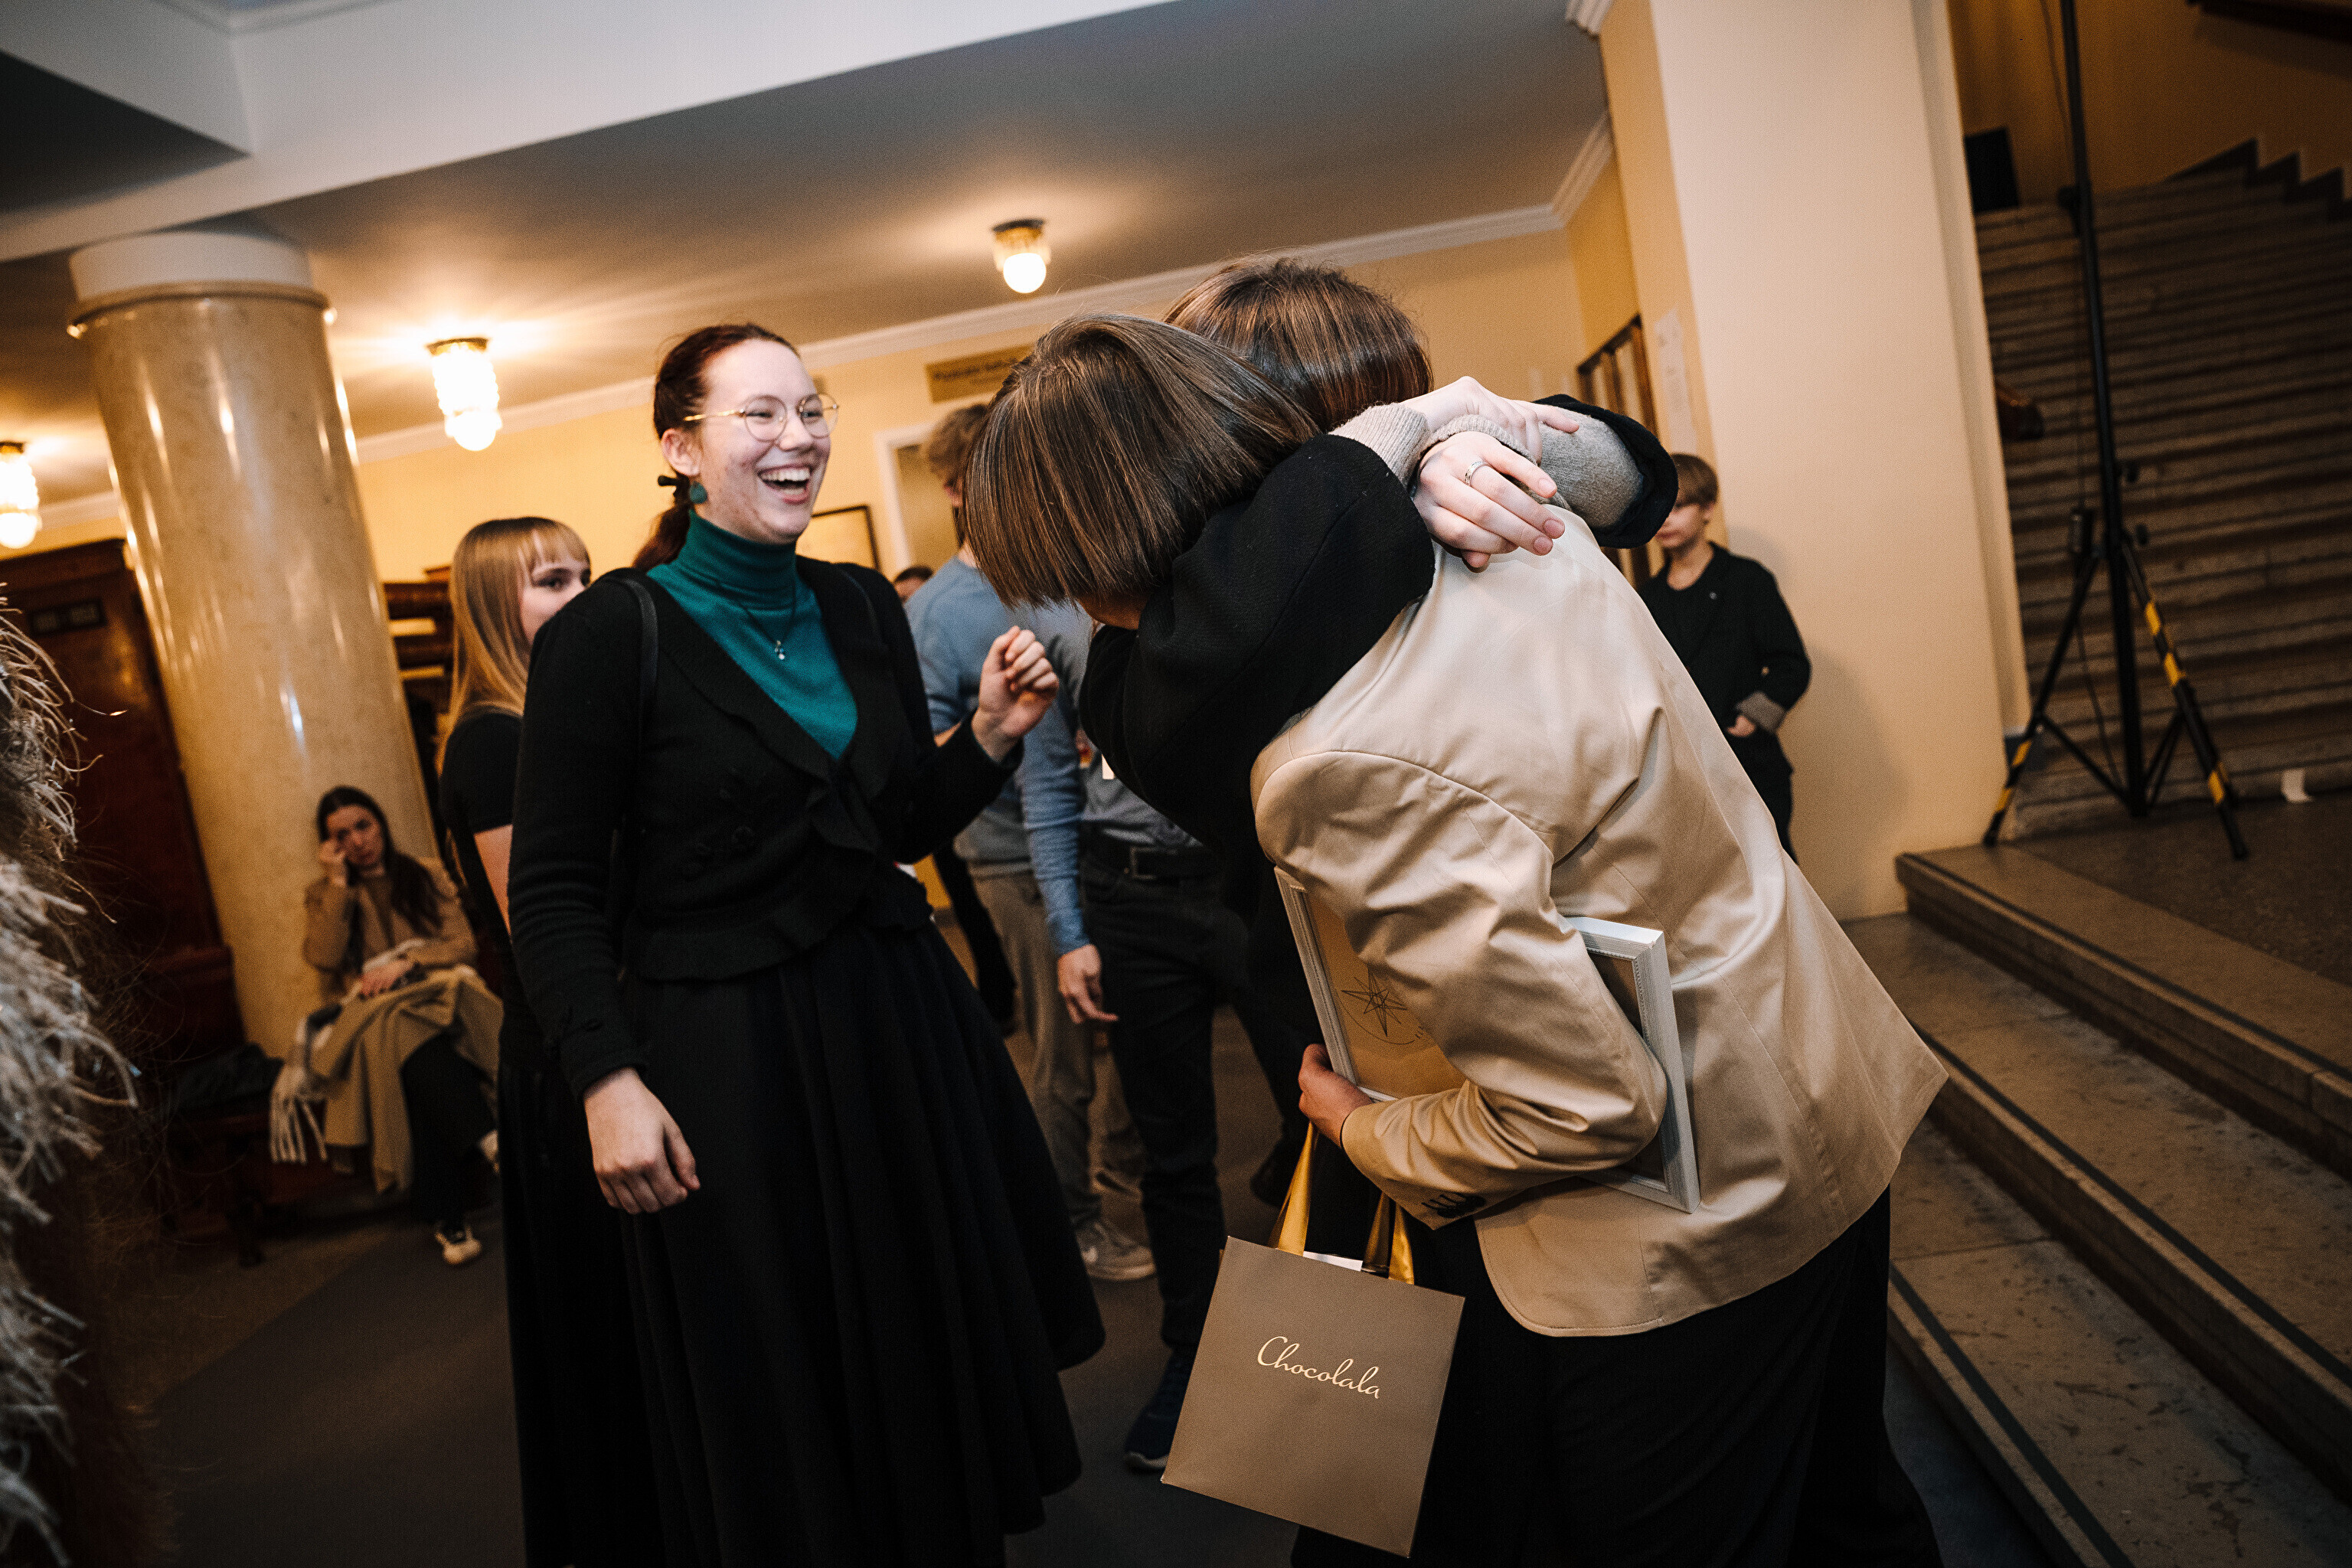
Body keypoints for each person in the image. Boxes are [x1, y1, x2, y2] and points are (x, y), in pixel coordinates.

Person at [964, 314, 1948, 1566]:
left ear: (1090, 560)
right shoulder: (1496, 521)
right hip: (1811, 1074)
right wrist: (1430, 431)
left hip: (1689, 1213)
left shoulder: (1329, 759)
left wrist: (1359, 1128)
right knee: (1851, 1512)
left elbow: (1588, 1108)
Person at [508, 322, 1101, 1566]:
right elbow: (552, 887)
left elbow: (890, 826)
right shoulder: (608, 633)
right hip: (730, 1055)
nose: (800, 437)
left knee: (919, 1336)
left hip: (892, 1026)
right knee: (783, 1366)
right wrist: (606, 1079)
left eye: (813, 409)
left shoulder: (853, 602)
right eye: (760, 414)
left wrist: (989, 736)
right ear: (680, 449)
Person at [1016, 603, 1308, 1470]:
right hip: (1129, 899)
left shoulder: (1227, 580)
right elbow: (1048, 785)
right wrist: (1069, 931)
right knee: (1172, 1152)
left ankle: (1334, 1354)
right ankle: (1196, 1350)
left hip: (1249, 880)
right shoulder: (1054, 622)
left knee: (1322, 1120)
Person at [437, 516, 662, 1567]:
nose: (580, 596)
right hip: (571, 1054)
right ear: (497, 607)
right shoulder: (493, 738)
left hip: (606, 1035)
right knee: (609, 1329)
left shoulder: (550, 717)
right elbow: (544, 921)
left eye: (583, 574)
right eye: (551, 582)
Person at [908, 408, 1152, 1284]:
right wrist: (1002, 725)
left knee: (1131, 1020)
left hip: (1104, 838)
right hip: (1011, 855)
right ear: (956, 489)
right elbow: (921, 758)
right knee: (1065, 1047)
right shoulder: (935, 613)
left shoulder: (1065, 574)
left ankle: (1119, 1164)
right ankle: (1072, 1224)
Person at [301, 785, 501, 1265]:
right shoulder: (324, 895)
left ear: (381, 823)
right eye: (341, 835)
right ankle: (490, 1140)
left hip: (442, 999)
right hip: (377, 1016)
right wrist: (338, 886)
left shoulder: (423, 873)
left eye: (364, 825)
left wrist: (408, 964)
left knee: (412, 1052)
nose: (358, 841)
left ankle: (447, 1219)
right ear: (330, 846)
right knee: (405, 1040)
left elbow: (463, 944)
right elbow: (324, 958)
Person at [1638, 452, 1811, 857]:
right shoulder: (1647, 598)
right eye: (1659, 507)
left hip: (1749, 764)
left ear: (1707, 509)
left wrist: (1753, 717)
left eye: (1678, 506)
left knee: (1772, 873)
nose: (1665, 519)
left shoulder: (1746, 580)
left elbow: (1791, 665)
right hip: (1684, 774)